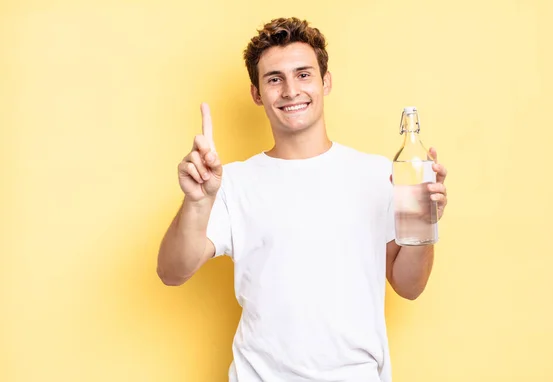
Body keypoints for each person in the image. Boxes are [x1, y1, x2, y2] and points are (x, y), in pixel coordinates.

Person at [157, 17, 448, 382]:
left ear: (326, 81)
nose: (291, 90)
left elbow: (409, 286)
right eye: (274, 78)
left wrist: (425, 221)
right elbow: (171, 272)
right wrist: (197, 203)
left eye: (304, 74)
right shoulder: (230, 182)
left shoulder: (379, 175)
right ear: (257, 93)